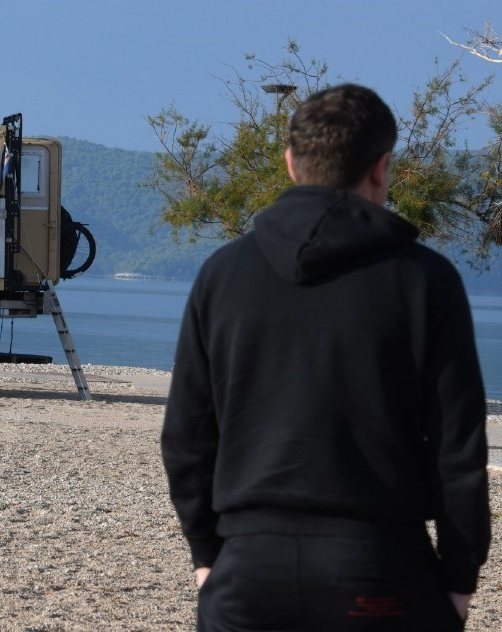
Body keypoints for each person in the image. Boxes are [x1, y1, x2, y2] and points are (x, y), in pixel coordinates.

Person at [161, 83, 490, 631]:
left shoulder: (223, 274)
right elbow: (458, 451)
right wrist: (459, 579)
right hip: (380, 564)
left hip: (249, 567)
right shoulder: (425, 280)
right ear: (382, 167)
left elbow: (186, 437)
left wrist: (206, 554)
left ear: (290, 163)